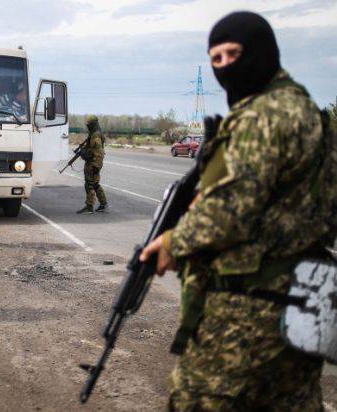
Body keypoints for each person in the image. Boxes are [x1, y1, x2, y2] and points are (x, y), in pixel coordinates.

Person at [139, 12, 335, 410]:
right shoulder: (312, 116)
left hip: (247, 313)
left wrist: (174, 242)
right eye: (217, 59)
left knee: (202, 399)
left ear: (263, 52)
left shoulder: (259, 117)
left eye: (234, 54)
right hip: (303, 306)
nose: (226, 66)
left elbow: (230, 213)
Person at [76, 115, 108, 214]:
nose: (87, 126)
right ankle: (103, 204)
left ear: (93, 124)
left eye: (89, 124)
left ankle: (89, 207)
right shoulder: (94, 133)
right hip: (95, 162)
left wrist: (83, 153)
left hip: (93, 163)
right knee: (95, 184)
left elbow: (97, 152)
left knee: (89, 184)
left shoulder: (95, 135)